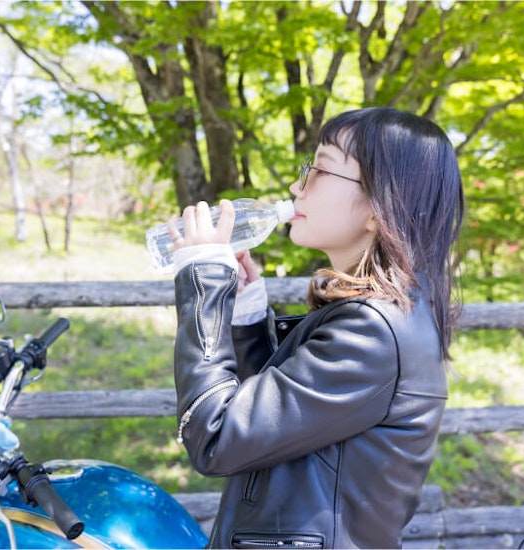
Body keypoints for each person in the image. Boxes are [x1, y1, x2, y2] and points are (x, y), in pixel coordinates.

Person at [167, 107, 465, 549]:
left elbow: (217, 436)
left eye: (320, 169)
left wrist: (203, 284)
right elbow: (268, 426)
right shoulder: (380, 318)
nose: (296, 186)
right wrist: (247, 314)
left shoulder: (374, 332)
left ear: (379, 208)